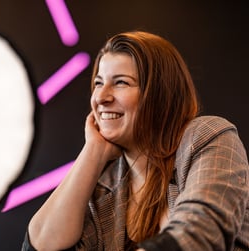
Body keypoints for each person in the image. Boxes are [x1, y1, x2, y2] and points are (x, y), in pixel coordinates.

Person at [22, 30, 249, 251]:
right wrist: (93, 151)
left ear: (160, 93)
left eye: (121, 82)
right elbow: (41, 246)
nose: (101, 97)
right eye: (99, 83)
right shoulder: (106, 182)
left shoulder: (207, 136)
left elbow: (199, 233)